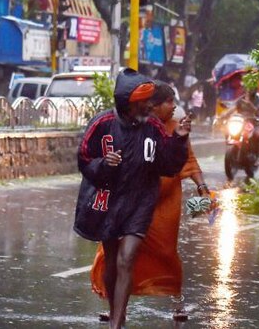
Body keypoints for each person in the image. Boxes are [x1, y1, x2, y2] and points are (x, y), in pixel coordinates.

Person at [74, 68, 191, 329]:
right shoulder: (101, 125)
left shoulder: (153, 128)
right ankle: (117, 311)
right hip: (109, 202)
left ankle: (116, 324)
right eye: (144, 102)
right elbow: (84, 161)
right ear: (129, 103)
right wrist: (104, 164)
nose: (150, 106)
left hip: (140, 203)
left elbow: (167, 164)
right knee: (113, 258)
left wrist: (179, 141)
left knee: (127, 258)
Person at [89, 81, 210, 320]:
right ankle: (116, 311)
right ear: (153, 105)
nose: (174, 107)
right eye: (169, 102)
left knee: (165, 253)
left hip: (164, 205)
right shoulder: (133, 126)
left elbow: (189, 160)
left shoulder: (175, 128)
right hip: (131, 201)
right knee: (114, 255)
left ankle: (177, 303)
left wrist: (202, 187)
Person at [220, 87, 259, 155]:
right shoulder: (241, 99)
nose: (249, 91)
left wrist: (249, 104)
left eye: (251, 89)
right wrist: (225, 115)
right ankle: (228, 139)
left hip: (253, 120)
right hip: (241, 120)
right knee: (228, 127)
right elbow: (234, 107)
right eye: (247, 90)